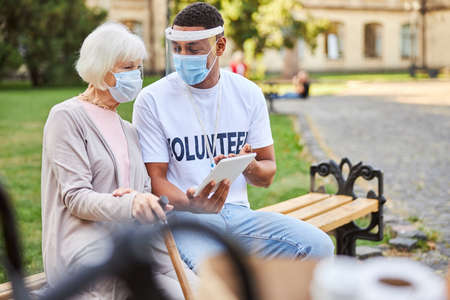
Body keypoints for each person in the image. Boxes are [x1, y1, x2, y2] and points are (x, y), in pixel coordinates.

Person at [133, 2, 334, 273]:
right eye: (177, 48)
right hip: (184, 218)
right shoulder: (152, 100)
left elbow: (268, 174)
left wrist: (248, 165)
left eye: (193, 49)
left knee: (318, 246)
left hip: (239, 215)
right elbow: (155, 179)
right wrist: (193, 204)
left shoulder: (247, 93)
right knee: (221, 275)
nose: (183, 56)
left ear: (220, 46)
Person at [41, 22, 196, 299]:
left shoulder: (129, 129)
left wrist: (151, 204)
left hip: (134, 244)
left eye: (138, 68)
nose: (136, 76)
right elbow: (76, 197)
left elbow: (141, 191)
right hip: (86, 251)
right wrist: (130, 203)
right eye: (127, 68)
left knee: (197, 288)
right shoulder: (66, 117)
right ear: (102, 69)